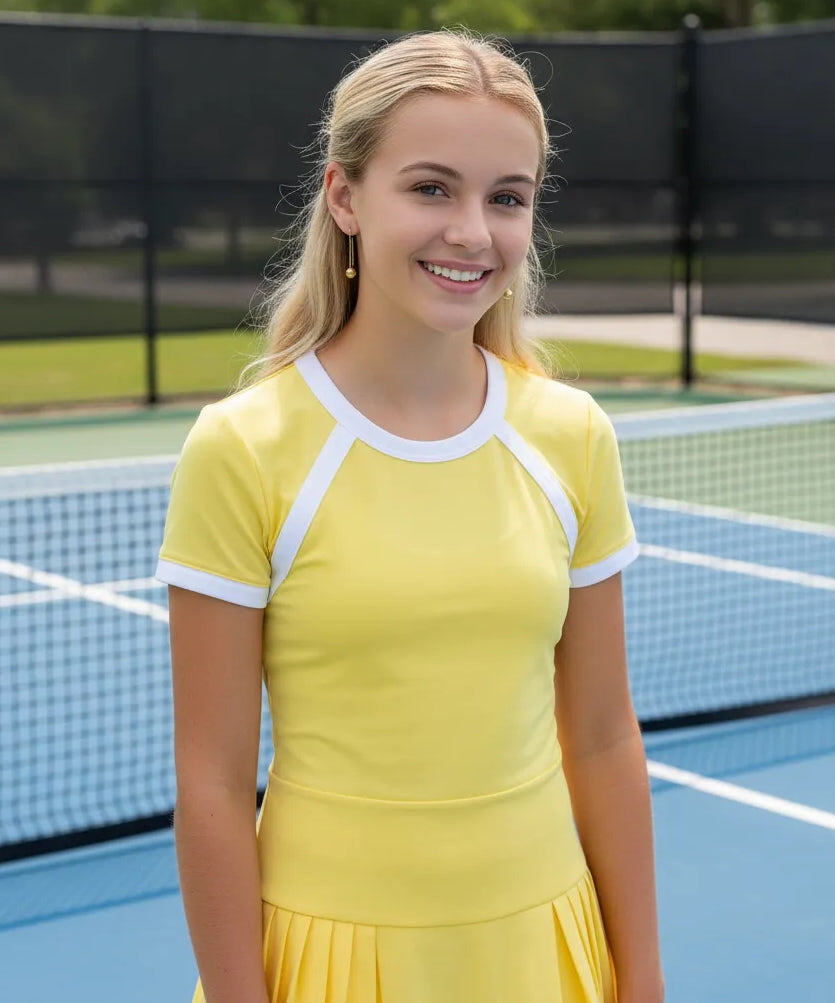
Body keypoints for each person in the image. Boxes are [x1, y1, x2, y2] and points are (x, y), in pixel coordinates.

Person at [156, 28, 664, 1003]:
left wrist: (641, 980)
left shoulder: (571, 435)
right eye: (431, 188)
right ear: (345, 196)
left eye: (505, 198)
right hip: (331, 958)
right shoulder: (244, 449)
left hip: (544, 945)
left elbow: (602, 737)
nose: (473, 231)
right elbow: (213, 784)